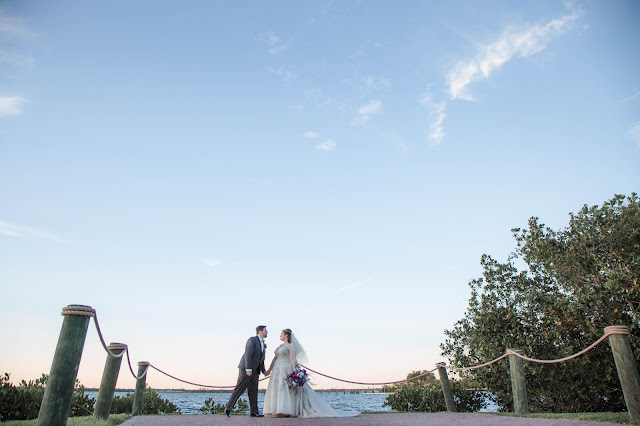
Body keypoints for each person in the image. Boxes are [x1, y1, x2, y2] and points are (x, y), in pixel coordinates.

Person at [263, 329, 360, 418]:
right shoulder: (280, 346)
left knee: (286, 389)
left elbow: (293, 360)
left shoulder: (291, 346)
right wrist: (269, 370)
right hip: (277, 369)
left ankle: (286, 409)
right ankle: (276, 409)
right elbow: (275, 358)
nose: (280, 335)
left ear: (286, 336)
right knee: (277, 388)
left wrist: (295, 372)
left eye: (281, 334)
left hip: (286, 368)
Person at [225, 325, 268, 417]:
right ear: (260, 332)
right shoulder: (252, 340)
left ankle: (254, 412)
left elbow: (261, 359)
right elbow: (248, 354)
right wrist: (248, 369)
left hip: (256, 371)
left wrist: (263, 370)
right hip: (246, 369)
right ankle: (228, 409)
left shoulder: (263, 344)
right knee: (240, 389)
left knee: (253, 391)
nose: (267, 332)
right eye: (265, 331)